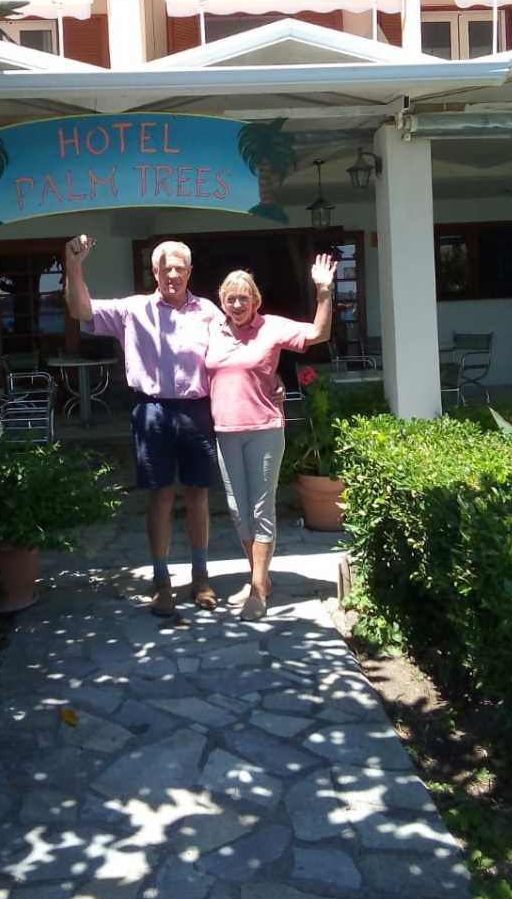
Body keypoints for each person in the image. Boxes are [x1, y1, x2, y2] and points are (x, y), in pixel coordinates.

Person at [64, 234, 221, 616]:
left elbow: (234, 352)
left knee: (198, 494)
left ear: (189, 272)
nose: (173, 274)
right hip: (151, 410)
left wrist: (271, 381)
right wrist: (73, 264)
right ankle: (161, 580)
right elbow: (80, 310)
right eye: (166, 268)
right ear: (154, 271)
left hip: (197, 409)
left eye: (180, 268)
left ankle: (201, 576)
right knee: (160, 495)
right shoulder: (131, 310)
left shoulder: (209, 311)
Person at [205, 255, 337, 621]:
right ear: (222, 301)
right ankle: (258, 577)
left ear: (255, 301)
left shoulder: (272, 327)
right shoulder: (212, 330)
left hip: (264, 429)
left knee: (261, 509)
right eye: (230, 298)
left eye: (243, 298)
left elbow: (318, 334)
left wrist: (323, 291)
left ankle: (259, 588)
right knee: (237, 509)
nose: (236, 304)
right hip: (225, 431)